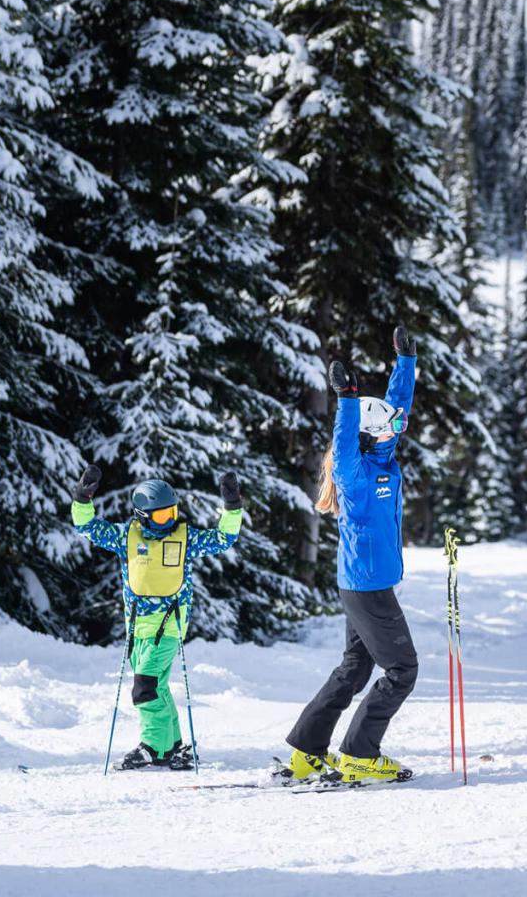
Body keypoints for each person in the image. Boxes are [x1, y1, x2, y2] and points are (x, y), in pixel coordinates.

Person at [276, 326, 419, 786]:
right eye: (389, 429)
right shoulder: (355, 476)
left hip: (361, 583)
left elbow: (398, 410)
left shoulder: (380, 456)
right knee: (402, 669)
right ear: (369, 436)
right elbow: (344, 440)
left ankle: (305, 749)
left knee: (356, 668)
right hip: (368, 587)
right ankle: (359, 753)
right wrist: (347, 399)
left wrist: (406, 363)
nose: (397, 430)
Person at [71, 466, 244, 770]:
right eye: (162, 516)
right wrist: (83, 497)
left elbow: (223, 539)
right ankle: (172, 747)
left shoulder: (185, 538)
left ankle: (152, 745)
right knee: (158, 686)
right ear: (143, 515)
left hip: (170, 625)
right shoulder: (126, 536)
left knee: (145, 687)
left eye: (173, 513)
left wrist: (232, 505)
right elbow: (87, 526)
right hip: (137, 628)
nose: (170, 520)